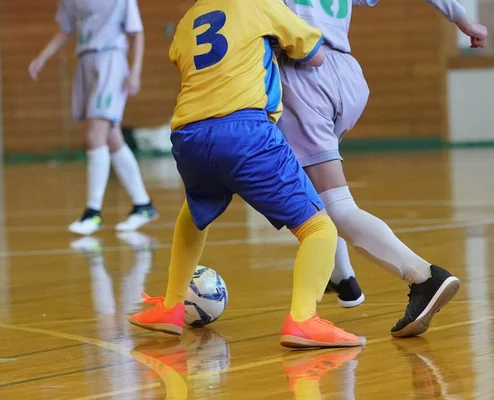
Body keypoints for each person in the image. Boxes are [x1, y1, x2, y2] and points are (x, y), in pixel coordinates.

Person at [128, 0, 363, 349]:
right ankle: (303, 320)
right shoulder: (258, 3)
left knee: (193, 215)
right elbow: (314, 54)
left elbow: (183, 57)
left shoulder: (187, 21)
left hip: (188, 135)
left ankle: (172, 307)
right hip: (245, 131)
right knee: (319, 228)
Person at [278, 0, 487, 338]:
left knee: (334, 202)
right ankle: (343, 279)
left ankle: (423, 276)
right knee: (309, 185)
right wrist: (463, 19)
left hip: (303, 73)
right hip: (346, 74)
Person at [29, 0, 157, 235]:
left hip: (111, 59)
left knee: (94, 135)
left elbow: (137, 32)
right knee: (112, 138)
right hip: (85, 61)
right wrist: (42, 57)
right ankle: (143, 205)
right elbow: (65, 30)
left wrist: (135, 71)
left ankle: (93, 212)